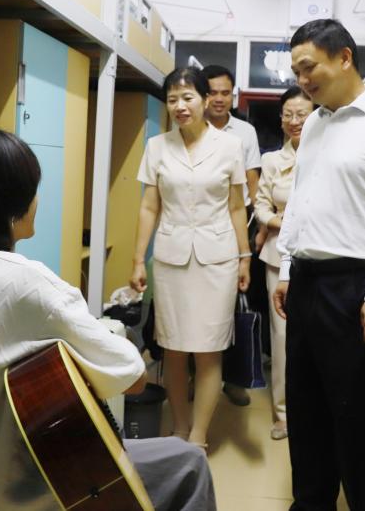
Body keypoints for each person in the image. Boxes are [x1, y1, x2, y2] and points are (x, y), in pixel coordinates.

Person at [0, 128, 215, 511]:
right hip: (19, 487)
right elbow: (133, 376)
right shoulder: (23, 281)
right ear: (8, 202)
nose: (37, 199)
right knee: (190, 461)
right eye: (32, 189)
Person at [273, 19, 365, 510]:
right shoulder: (316, 123)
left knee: (355, 418)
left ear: (344, 58)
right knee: (306, 411)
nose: (302, 80)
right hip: (307, 280)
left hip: (356, 285)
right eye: (296, 72)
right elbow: (300, 200)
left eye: (308, 67)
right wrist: (287, 268)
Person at [130, 67, 251, 451]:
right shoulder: (156, 146)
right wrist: (138, 260)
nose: (180, 106)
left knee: (209, 349)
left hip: (218, 259)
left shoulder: (230, 146)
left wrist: (245, 257)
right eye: (172, 99)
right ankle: (180, 427)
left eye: (187, 98)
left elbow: (236, 208)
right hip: (171, 258)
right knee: (174, 348)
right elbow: (149, 207)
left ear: (205, 99)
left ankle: (198, 436)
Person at [254, 86, 315, 441]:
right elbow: (261, 205)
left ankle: (314, 410)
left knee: (316, 335)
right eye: (288, 115)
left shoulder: (327, 155)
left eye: (302, 114)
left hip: (320, 254)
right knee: (281, 338)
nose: (294, 121)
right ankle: (284, 413)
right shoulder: (271, 161)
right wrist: (279, 221)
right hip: (278, 255)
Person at [202, 64, 263, 407]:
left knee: (236, 304)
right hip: (201, 226)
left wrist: (256, 226)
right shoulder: (190, 125)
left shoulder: (245, 132)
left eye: (226, 93)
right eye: (212, 92)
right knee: (201, 307)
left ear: (233, 95)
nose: (219, 99)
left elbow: (252, 181)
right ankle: (200, 375)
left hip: (239, 223)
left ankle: (234, 379)